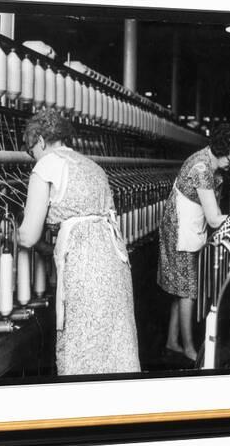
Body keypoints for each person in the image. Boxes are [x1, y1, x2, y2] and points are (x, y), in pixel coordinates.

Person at [18, 108, 140, 376]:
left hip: (85, 267)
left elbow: (28, 235)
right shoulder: (92, 165)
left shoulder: (47, 164)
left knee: (84, 341)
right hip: (114, 262)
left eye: (31, 151)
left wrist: (12, 234)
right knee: (114, 341)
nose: (32, 158)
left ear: (40, 141)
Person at [158, 124, 230, 363]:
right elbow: (215, 218)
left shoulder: (208, 162)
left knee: (182, 288)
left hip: (188, 226)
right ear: (222, 148)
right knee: (187, 291)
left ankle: (172, 341)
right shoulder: (201, 168)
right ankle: (188, 348)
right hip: (182, 231)